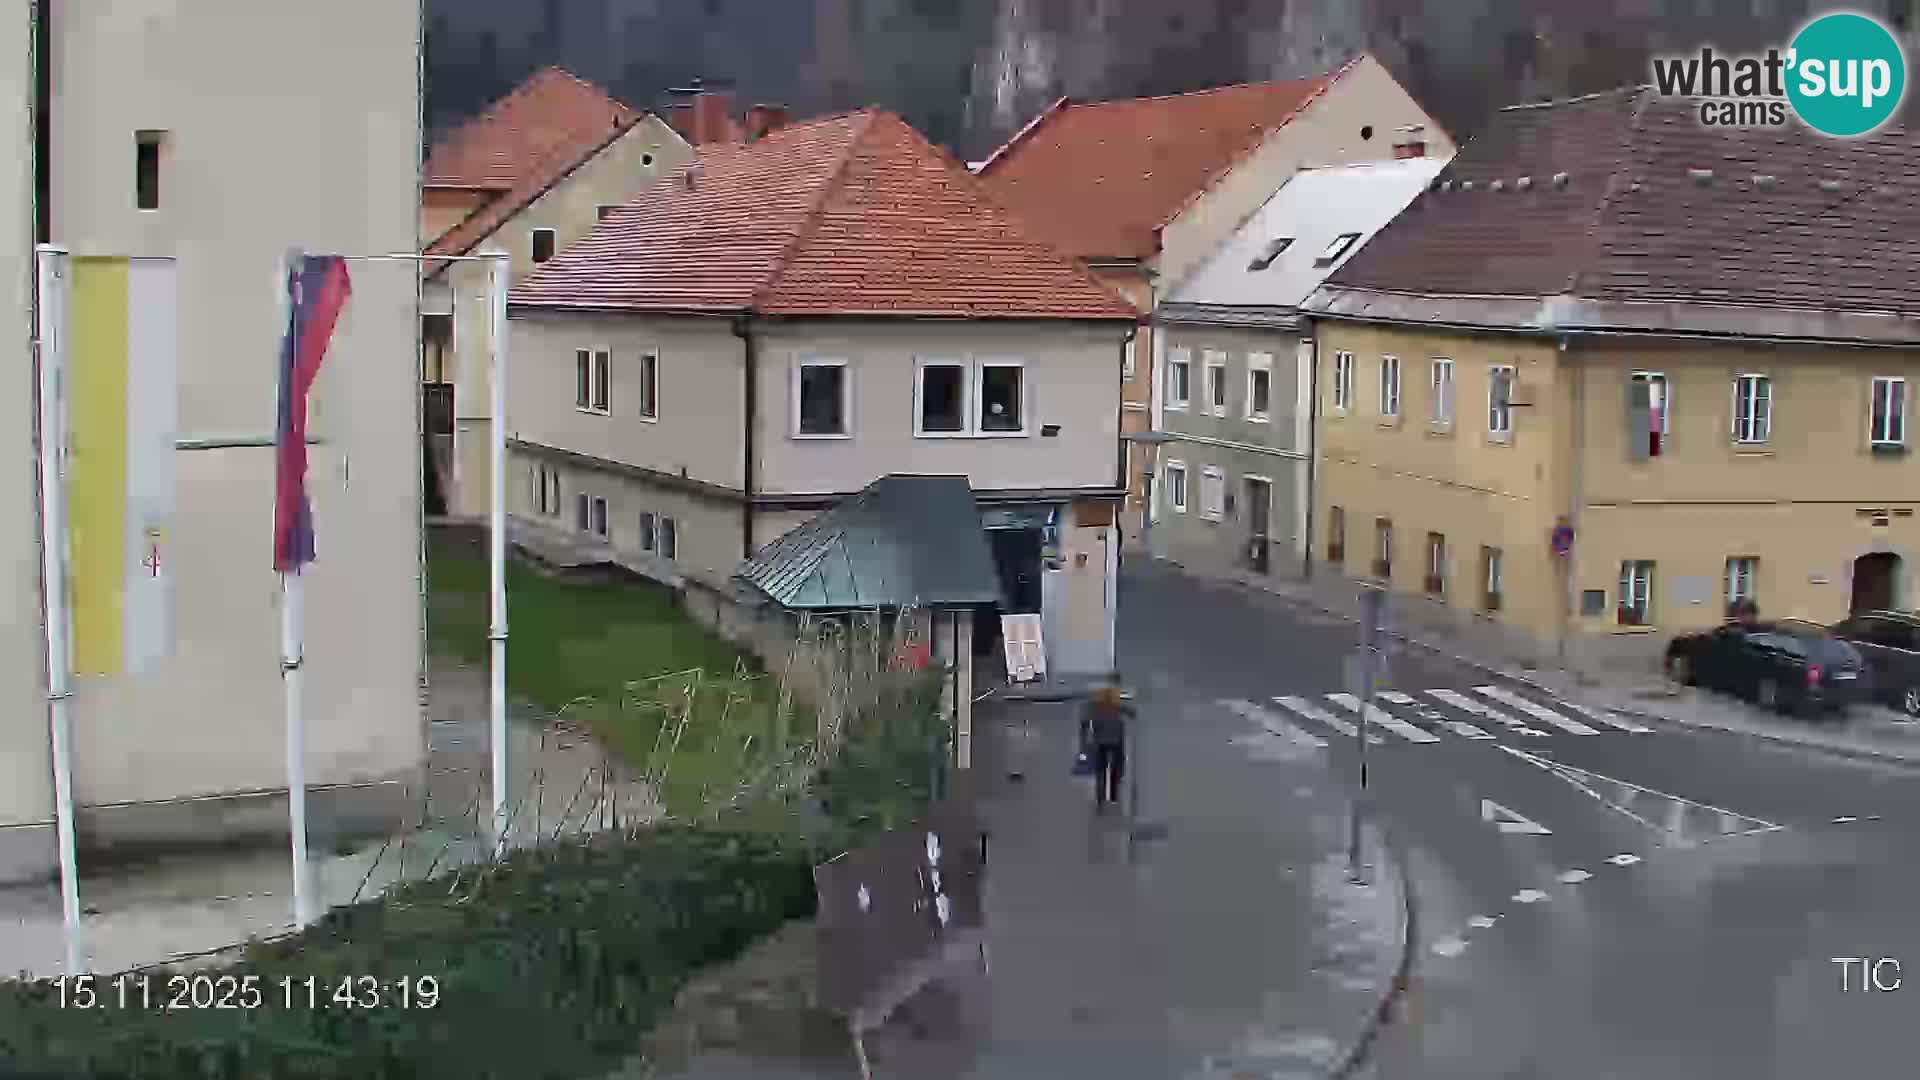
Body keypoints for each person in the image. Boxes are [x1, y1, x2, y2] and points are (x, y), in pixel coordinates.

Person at [1081, 685, 1133, 809]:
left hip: (1100, 742)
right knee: (1116, 768)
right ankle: (1113, 796)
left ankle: (1100, 798)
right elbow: (1130, 712)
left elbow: (1085, 723)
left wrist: (1084, 741)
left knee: (1101, 771)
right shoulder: (1115, 704)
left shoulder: (1094, 706)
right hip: (1116, 741)